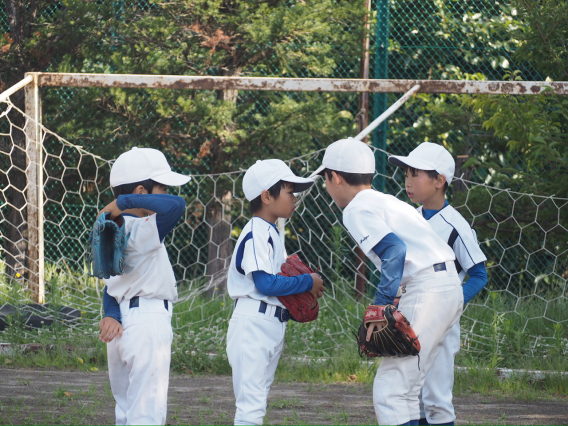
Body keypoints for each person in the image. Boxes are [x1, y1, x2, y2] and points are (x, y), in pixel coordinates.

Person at [310, 138, 462, 426]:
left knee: (391, 391)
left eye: (325, 179)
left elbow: (395, 251)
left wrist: (380, 304)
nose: (327, 187)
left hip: (427, 289)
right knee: (410, 390)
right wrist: (395, 297)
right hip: (444, 287)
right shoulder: (384, 200)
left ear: (336, 178)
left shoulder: (355, 208)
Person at [388, 142, 487, 426]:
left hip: (441, 320)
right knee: (411, 395)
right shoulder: (408, 219)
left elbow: (479, 274)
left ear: (439, 180)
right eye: (406, 174)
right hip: (409, 317)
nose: (407, 181)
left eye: (414, 174)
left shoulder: (456, 224)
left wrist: (451, 303)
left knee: (436, 399)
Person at [226, 159, 325, 425]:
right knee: (251, 406)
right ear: (267, 196)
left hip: (268, 323)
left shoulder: (270, 231)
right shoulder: (257, 230)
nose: (294, 197)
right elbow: (265, 284)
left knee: (257, 402)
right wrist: (307, 282)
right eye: (289, 191)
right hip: (253, 325)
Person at [97, 147, 190, 425]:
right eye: (161, 187)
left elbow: (112, 284)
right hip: (147, 323)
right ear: (141, 191)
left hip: (122, 326)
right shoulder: (139, 226)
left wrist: (110, 313)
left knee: (126, 413)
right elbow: (177, 205)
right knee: (146, 415)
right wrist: (127, 200)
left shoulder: (111, 229)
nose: (167, 192)